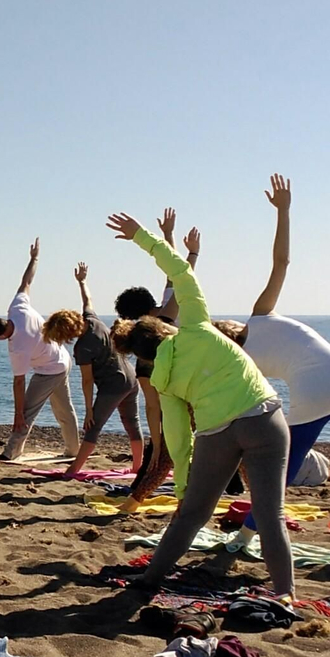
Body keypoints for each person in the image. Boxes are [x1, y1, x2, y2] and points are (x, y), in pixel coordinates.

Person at [106, 211, 294, 596]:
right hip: (263, 418)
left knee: (191, 515)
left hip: (217, 434)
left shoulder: (162, 380)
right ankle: (285, 593)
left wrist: (183, 490)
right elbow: (180, 272)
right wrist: (142, 237)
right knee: (270, 515)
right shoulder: (196, 326)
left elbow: (178, 440)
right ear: (165, 327)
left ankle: (150, 579)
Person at [215, 176, 330, 569]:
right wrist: (284, 211)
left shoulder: (240, 362)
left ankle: (244, 536)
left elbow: (255, 404)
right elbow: (282, 263)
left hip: (313, 389)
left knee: (281, 472)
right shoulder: (261, 314)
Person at [114, 210, 195, 510]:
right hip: (202, 383)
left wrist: (157, 440)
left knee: (167, 453)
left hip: (180, 395)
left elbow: (151, 405)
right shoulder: (171, 312)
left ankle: (139, 494)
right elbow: (178, 274)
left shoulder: (149, 346)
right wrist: (181, 244)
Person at [0, 239, 79, 460]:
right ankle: (74, 450)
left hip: (50, 369)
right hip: (62, 360)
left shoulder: (18, 347)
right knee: (64, 409)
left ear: (1, 336)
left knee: (26, 413)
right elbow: (26, 281)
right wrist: (34, 258)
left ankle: (10, 453)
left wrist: (17, 413)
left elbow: (19, 382)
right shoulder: (17, 308)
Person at [45, 263, 145, 475]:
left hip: (113, 386)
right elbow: (87, 300)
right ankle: (138, 467)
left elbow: (87, 380)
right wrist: (82, 282)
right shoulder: (92, 320)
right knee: (132, 423)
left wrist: (89, 410)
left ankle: (73, 469)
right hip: (130, 377)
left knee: (93, 427)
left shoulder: (83, 347)